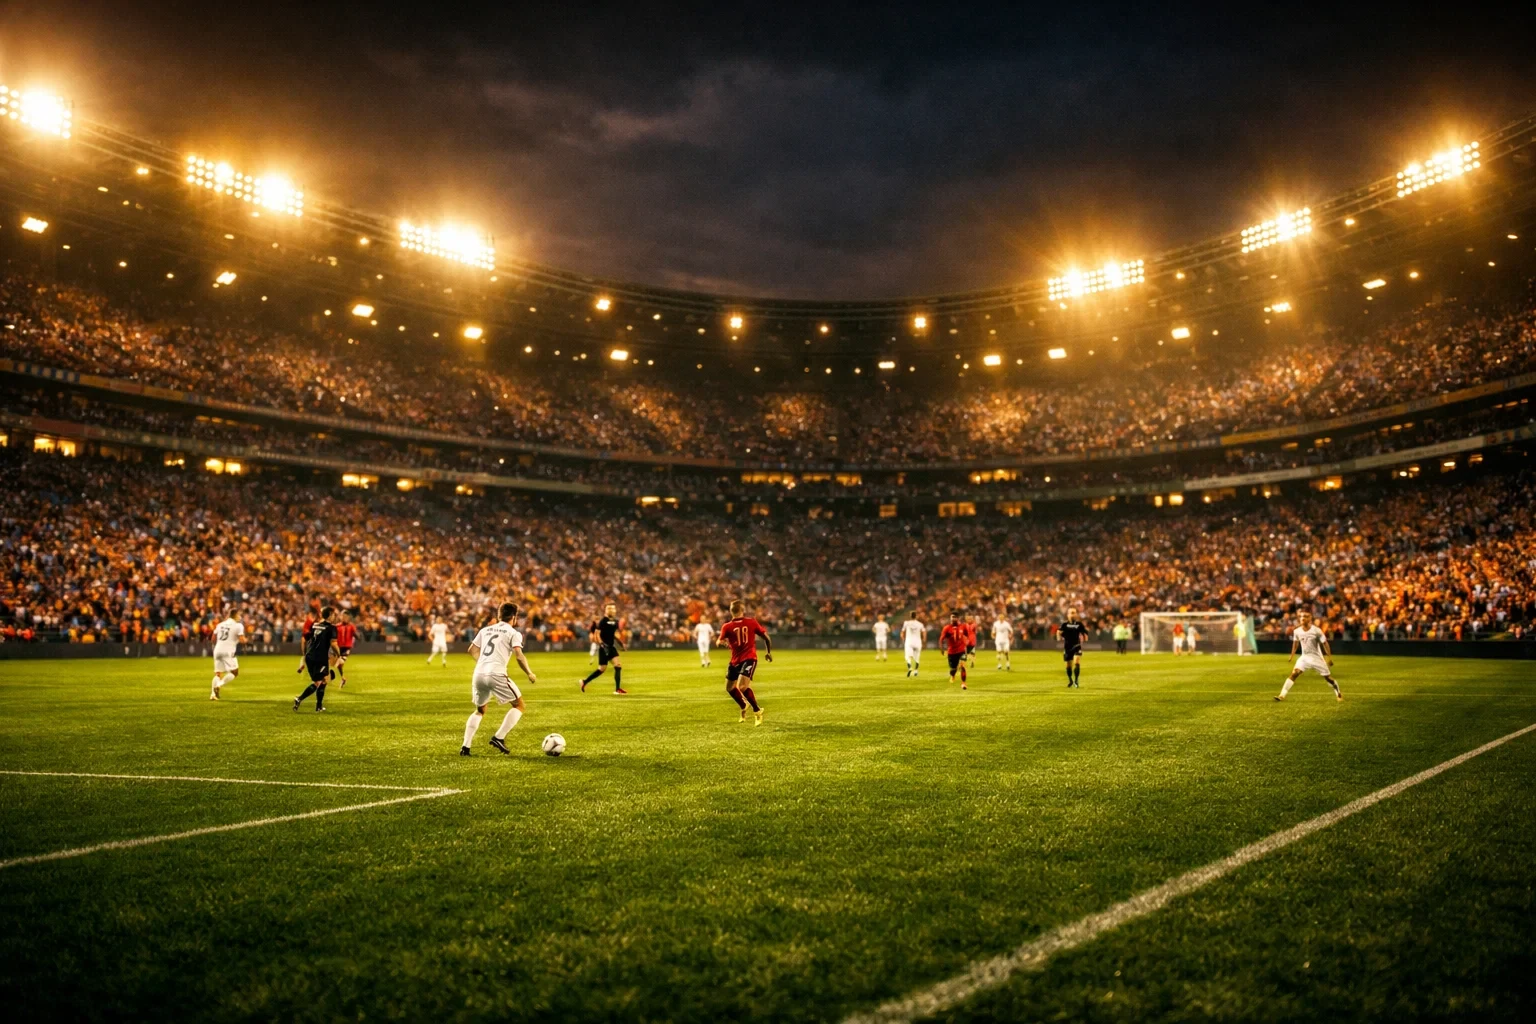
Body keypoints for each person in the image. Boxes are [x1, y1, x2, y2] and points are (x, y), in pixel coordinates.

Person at [462, 602, 538, 755]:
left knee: (480, 710)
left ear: (499, 616)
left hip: (479, 674)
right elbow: (519, 656)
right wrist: (529, 672)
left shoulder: (485, 630)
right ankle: (499, 737)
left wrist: (483, 663)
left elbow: (472, 650)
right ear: (514, 617)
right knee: (519, 705)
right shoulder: (513, 633)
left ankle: (465, 747)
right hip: (496, 674)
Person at [717, 599, 770, 724]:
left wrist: (722, 643)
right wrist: (768, 652)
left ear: (730, 611)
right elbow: (766, 637)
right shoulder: (751, 622)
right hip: (735, 660)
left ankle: (757, 710)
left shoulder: (727, 626)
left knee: (742, 686)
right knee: (730, 688)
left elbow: (719, 641)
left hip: (749, 658)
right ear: (743, 610)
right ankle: (743, 705)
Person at [1276, 611, 1342, 702]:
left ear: (1310, 619)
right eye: (1301, 616)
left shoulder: (1316, 630)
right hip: (1304, 657)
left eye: (1305, 616)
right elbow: (1295, 644)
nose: (1303, 618)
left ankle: (1338, 692)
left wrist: (1329, 657)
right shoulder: (1297, 631)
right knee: (1294, 673)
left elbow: (1325, 643)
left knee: (1328, 678)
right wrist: (1292, 655)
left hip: (1317, 658)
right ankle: (1282, 695)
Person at [293, 606, 339, 712]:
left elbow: (306, 637)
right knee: (319, 682)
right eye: (333, 614)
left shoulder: (315, 625)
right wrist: (338, 654)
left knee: (324, 680)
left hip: (310, 657)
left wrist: (305, 653)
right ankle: (299, 698)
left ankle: (318, 707)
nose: (334, 617)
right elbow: (333, 644)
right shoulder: (331, 628)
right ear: (330, 615)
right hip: (320, 658)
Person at [579, 602, 627, 694]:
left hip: (611, 647)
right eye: (610, 609)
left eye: (613, 609)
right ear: (606, 610)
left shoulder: (615, 622)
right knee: (601, 669)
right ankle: (584, 682)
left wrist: (620, 643)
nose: (612, 611)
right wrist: (602, 644)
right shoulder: (603, 621)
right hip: (604, 648)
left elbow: (612, 635)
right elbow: (597, 634)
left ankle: (617, 689)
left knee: (618, 666)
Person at [210, 608, 244, 700]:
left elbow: (213, 638)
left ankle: (213, 695)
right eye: (239, 615)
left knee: (217, 674)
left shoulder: (220, 624)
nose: (240, 617)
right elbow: (241, 640)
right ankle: (219, 685)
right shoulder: (239, 626)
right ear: (235, 616)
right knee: (234, 672)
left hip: (217, 650)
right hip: (228, 651)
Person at [940, 611, 970, 690]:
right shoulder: (947, 628)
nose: (954, 618)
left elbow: (967, 635)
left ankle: (963, 683)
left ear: (958, 618)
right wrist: (941, 649)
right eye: (952, 617)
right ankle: (952, 675)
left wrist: (966, 642)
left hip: (961, 650)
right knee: (953, 669)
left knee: (963, 665)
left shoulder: (963, 627)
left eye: (955, 617)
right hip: (951, 652)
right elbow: (941, 639)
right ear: (950, 618)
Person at [1058, 608, 1088, 688]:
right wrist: (1060, 636)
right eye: (1071, 613)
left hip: (1076, 646)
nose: (1073, 614)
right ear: (1068, 614)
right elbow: (1059, 632)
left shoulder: (1079, 624)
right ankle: (1070, 680)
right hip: (1067, 647)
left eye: (1074, 613)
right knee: (1068, 666)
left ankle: (1076, 680)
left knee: (1077, 662)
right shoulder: (1064, 625)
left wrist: (1085, 638)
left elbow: (1084, 632)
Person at [335, 608, 357, 687]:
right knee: (339, 665)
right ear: (341, 617)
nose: (344, 618)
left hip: (346, 648)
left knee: (340, 663)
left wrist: (355, 636)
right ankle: (343, 678)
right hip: (338, 648)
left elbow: (356, 636)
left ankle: (331, 676)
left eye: (346, 617)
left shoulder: (351, 626)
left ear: (348, 618)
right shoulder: (337, 626)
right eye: (343, 616)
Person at [900, 612, 926, 677]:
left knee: (908, 656)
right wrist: (924, 640)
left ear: (910, 616)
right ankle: (916, 671)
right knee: (917, 657)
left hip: (909, 641)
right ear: (916, 616)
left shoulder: (906, 623)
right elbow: (924, 632)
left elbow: (902, 632)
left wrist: (902, 638)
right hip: (917, 641)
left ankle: (910, 667)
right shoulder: (920, 624)